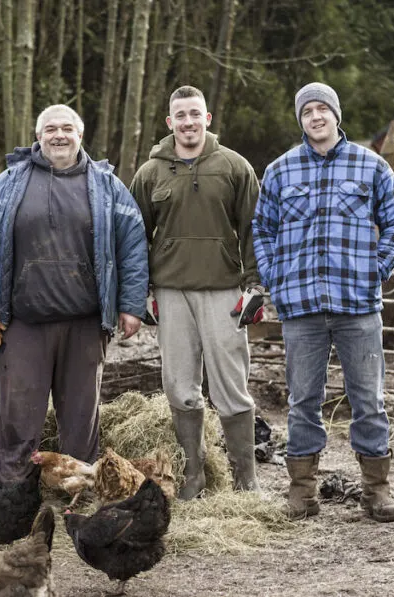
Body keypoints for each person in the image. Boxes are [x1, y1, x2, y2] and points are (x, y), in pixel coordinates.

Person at [252, 82, 394, 522]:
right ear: (300, 119)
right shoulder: (281, 171)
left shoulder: (371, 165)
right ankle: (302, 492)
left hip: (358, 305)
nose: (316, 117)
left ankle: (376, 491)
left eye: (323, 109)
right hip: (300, 307)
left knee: (368, 399)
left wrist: (375, 269)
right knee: (303, 400)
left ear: (336, 115)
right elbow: (262, 230)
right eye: (308, 112)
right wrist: (274, 276)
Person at [0, 104, 149, 483]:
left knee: (81, 418)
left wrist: (131, 305)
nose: (59, 135)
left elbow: (133, 243)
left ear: (80, 136)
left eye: (67, 128)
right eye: (50, 129)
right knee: (17, 416)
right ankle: (12, 495)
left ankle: (79, 493)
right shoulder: (9, 182)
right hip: (23, 324)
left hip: (85, 322)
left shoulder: (106, 186)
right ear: (38, 137)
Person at [129, 85, 261, 499]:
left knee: (230, 385)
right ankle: (193, 476)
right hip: (170, 292)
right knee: (180, 385)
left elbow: (254, 229)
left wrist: (255, 285)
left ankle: (245, 481)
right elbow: (135, 237)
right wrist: (142, 290)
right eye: (180, 115)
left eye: (195, 114)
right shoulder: (150, 173)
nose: (188, 122)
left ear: (207, 119)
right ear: (170, 123)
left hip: (223, 290)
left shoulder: (234, 167)